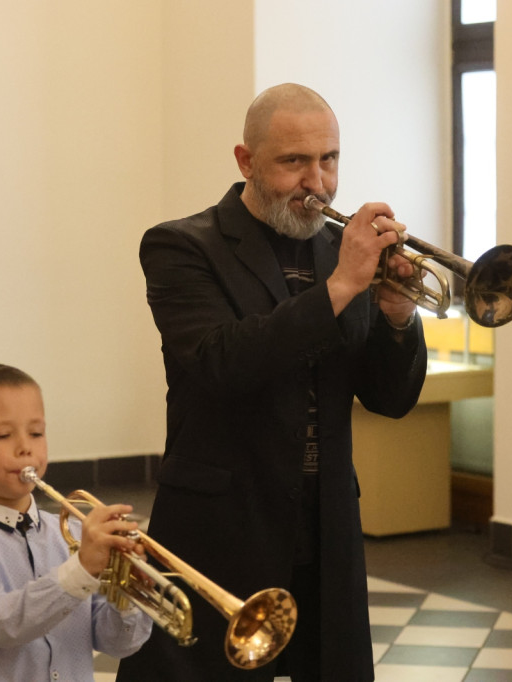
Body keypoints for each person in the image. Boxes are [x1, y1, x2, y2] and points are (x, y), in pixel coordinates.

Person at [115, 84, 428, 682]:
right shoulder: (181, 245)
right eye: (294, 162)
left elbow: (389, 399)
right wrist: (340, 288)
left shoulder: (342, 251)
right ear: (245, 160)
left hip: (326, 519)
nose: (318, 181)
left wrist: (395, 313)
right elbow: (221, 362)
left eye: (329, 159)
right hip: (222, 521)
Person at [0, 363, 153, 682]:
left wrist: (129, 596)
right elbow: (1, 624)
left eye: (36, 433)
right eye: (3, 435)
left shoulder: (73, 533)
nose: (25, 447)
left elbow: (117, 644)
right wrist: (82, 570)